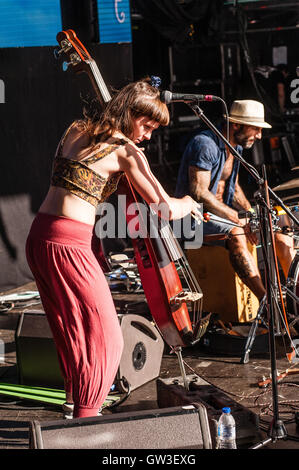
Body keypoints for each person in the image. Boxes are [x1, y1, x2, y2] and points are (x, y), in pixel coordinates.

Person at [25, 77, 202, 419]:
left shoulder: (75, 129)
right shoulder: (125, 150)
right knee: (109, 338)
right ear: (128, 112)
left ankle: (74, 403)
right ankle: (87, 418)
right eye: (146, 124)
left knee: (71, 327)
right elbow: (163, 208)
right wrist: (187, 201)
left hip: (41, 236)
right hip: (68, 244)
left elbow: (73, 185)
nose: (147, 135)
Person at [175, 99, 296, 302]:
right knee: (236, 234)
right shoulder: (205, 144)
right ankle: (268, 303)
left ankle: (295, 299)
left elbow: (235, 188)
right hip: (192, 220)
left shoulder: (236, 147)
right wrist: (233, 217)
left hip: (220, 216)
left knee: (281, 232)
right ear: (236, 124)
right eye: (255, 129)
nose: (259, 135)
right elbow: (198, 192)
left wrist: (251, 213)